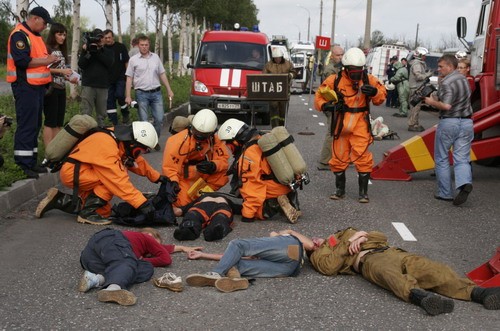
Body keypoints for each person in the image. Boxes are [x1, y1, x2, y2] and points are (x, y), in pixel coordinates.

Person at [309, 227, 500, 315]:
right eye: (313, 243)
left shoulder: (345, 232)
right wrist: (350, 243)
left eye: (317, 239)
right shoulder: (318, 255)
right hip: (369, 261)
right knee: (390, 276)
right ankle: (421, 297)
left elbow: (381, 236)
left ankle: (479, 293)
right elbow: (329, 267)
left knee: (435, 270)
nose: (317, 241)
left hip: (392, 251)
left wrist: (362, 236)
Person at [35, 121, 165, 225]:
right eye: (142, 149)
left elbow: (135, 161)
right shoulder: (107, 145)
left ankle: (59, 200)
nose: (142, 153)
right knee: (112, 180)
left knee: (103, 211)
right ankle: (86, 213)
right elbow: (118, 181)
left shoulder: (118, 137)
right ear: (133, 143)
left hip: (84, 170)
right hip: (75, 172)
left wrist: (157, 177)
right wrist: (142, 204)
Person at [314, 47, 387, 203]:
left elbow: (381, 97)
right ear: (346, 68)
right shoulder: (335, 80)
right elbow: (319, 96)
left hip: (360, 123)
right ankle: (340, 190)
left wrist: (374, 93)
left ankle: (363, 193)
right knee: (339, 158)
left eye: (359, 69)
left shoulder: (369, 80)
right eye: (353, 70)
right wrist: (327, 106)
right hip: (341, 124)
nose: (356, 72)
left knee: (362, 158)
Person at [78, 227, 202, 305]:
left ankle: (96, 279)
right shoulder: (142, 238)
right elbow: (165, 259)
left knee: (145, 267)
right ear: (151, 237)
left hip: (90, 259)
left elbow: (164, 249)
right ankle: (113, 289)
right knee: (128, 263)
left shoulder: (136, 243)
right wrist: (138, 259)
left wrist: (181, 248)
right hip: (110, 239)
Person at [7, 6, 58, 179]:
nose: (45, 27)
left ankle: (31, 160)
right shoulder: (19, 35)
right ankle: (23, 164)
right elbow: (22, 61)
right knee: (27, 124)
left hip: (36, 87)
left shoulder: (35, 36)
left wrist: (49, 63)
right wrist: (47, 60)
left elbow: (39, 62)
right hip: (25, 86)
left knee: (35, 124)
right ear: (35, 19)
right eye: (44, 23)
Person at [217, 118, 301, 223]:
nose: (230, 149)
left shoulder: (249, 154)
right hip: (287, 187)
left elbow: (252, 186)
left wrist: (248, 215)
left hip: (272, 193)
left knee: (231, 201)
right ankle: (291, 201)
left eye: (229, 145)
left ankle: (273, 205)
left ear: (236, 141)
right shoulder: (263, 138)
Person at [185, 229, 314, 293]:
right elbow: (230, 257)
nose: (316, 239)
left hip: (292, 248)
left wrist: (287, 231)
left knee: (238, 244)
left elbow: (310, 245)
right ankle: (235, 280)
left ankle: (215, 273)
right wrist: (203, 255)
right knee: (235, 264)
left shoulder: (303, 241)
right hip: (290, 270)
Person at [423, 54, 474, 205]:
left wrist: (431, 101)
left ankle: (445, 193)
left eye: (441, 66)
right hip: (466, 123)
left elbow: (446, 105)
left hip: (449, 122)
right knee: (462, 158)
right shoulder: (464, 79)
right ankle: (464, 183)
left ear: (450, 67)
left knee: (442, 157)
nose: (438, 69)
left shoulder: (446, 82)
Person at [162, 109, 229, 208]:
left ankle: (203, 195)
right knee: (180, 203)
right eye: (196, 132)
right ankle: (197, 198)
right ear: (191, 127)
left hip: (203, 175)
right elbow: (170, 168)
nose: (199, 136)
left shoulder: (215, 140)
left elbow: (223, 160)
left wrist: (214, 165)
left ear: (211, 132)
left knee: (222, 175)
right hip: (184, 178)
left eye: (203, 135)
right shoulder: (177, 141)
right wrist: (173, 183)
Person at [125, 35, 174, 140]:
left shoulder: (155, 58)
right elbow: (129, 78)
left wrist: (169, 90)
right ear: (138, 45)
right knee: (144, 121)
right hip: (141, 94)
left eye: (146, 45)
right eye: (142, 45)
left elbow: (162, 74)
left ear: (149, 45)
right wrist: (128, 96)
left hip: (156, 93)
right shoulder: (133, 60)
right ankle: (146, 143)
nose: (144, 47)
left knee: (160, 119)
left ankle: (154, 139)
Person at [43, 23, 78, 148]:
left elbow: (60, 71)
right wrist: (62, 71)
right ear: (53, 34)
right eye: (59, 34)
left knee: (58, 123)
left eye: (64, 34)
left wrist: (69, 78)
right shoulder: (47, 49)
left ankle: (56, 151)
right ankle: (48, 151)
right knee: (50, 122)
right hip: (51, 89)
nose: (62, 37)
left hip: (61, 89)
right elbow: (43, 69)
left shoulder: (61, 51)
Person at [78, 28, 114, 127]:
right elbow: (81, 64)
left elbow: (109, 63)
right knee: (86, 112)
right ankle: (85, 133)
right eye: (97, 38)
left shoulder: (107, 51)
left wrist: (97, 51)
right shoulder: (87, 50)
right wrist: (86, 51)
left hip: (102, 86)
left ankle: (101, 132)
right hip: (88, 85)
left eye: (101, 38)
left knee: (102, 114)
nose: (100, 40)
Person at [173, 192, 242, 242]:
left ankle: (188, 228)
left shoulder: (200, 198)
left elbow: (178, 211)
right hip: (222, 205)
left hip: (203, 204)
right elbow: (243, 210)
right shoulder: (228, 199)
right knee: (221, 218)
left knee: (193, 215)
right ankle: (215, 230)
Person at [318, 45, 344, 171]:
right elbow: (333, 88)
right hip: (331, 104)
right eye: (338, 55)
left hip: (337, 104)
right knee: (332, 132)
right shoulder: (330, 69)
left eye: (342, 54)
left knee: (339, 132)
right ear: (332, 56)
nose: (340, 57)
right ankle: (324, 161)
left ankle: (339, 157)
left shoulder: (339, 68)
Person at [103, 29, 130, 125]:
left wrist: (128, 76)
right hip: (107, 80)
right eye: (105, 38)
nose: (108, 40)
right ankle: (114, 123)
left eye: (109, 37)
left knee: (119, 95)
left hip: (120, 77)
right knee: (110, 101)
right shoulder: (102, 49)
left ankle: (125, 113)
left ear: (113, 37)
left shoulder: (120, 47)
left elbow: (126, 62)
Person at [263, 48, 295, 127]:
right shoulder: (268, 65)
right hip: (272, 92)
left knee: (282, 110)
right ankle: (275, 127)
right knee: (274, 108)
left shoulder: (288, 64)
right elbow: (264, 75)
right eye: (276, 58)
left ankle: (282, 126)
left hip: (284, 91)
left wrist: (290, 75)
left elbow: (293, 72)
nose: (277, 59)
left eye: (279, 58)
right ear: (273, 58)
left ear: (282, 57)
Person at [408, 47, 433, 132]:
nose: (425, 57)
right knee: (415, 107)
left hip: (416, 87)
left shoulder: (418, 63)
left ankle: (415, 123)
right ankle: (412, 124)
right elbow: (418, 76)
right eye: (424, 55)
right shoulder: (417, 64)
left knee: (416, 107)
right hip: (416, 88)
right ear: (420, 55)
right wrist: (428, 74)